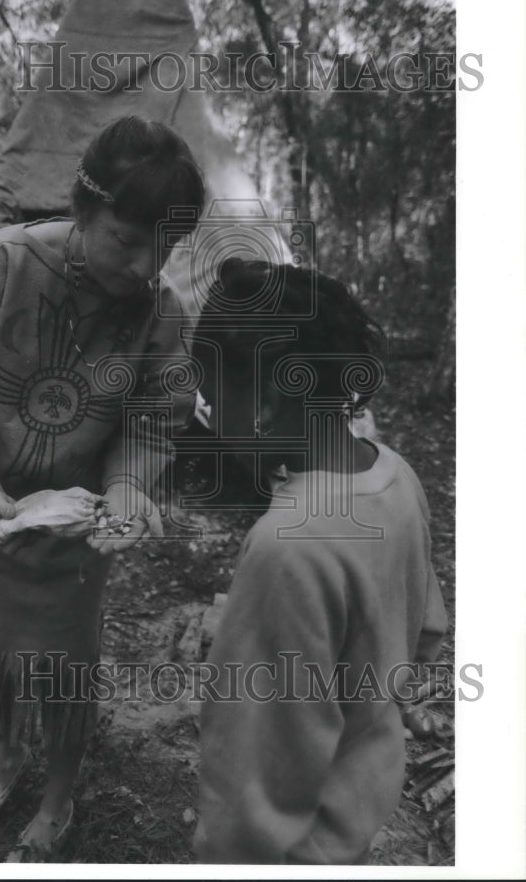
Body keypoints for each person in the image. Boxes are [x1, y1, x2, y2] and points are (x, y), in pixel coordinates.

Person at [0, 115, 204, 860]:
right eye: (127, 241)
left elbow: (152, 419)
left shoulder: (161, 313)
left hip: (70, 537)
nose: (143, 267)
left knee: (63, 668)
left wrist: (130, 490)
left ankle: (60, 796)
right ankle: (3, 757)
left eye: (163, 250)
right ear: (84, 208)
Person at [191, 257, 447, 865]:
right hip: (357, 807)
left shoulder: (286, 549)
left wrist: (224, 853)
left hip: (292, 848)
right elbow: (425, 622)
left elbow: (254, 757)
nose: (203, 410)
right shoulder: (394, 475)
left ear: (268, 399)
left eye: (210, 390)